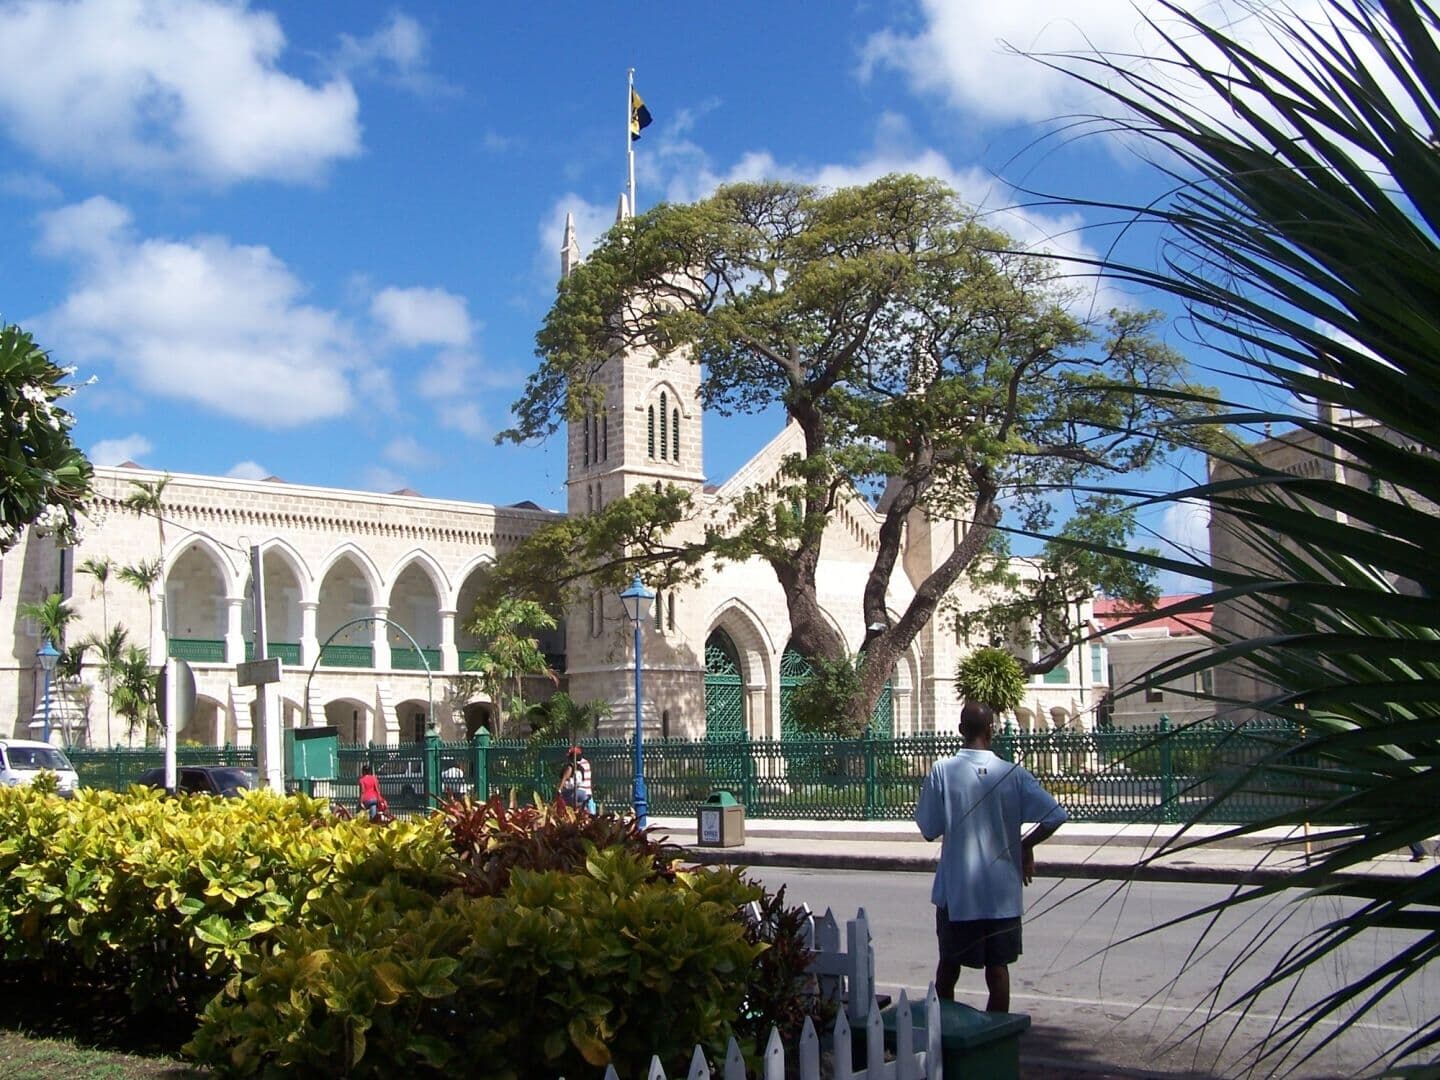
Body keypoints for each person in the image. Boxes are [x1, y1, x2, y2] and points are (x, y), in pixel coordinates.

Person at [915, 700, 1069, 1013]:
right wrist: (1026, 844)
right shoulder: (1013, 774)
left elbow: (929, 829)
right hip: (1001, 894)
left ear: (960, 730)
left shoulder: (943, 772)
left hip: (958, 894)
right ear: (992, 731)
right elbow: (1055, 815)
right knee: (998, 970)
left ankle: (943, 1032)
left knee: (949, 966)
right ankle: (997, 1037)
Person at [557, 745, 595, 812]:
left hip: (574, 792)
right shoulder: (586, 763)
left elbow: (565, 777)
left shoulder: (571, 766)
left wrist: (559, 790)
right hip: (586, 793)